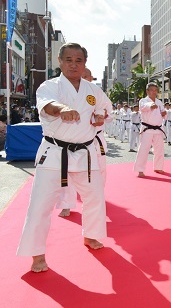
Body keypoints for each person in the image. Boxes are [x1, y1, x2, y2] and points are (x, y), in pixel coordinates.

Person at [17, 43, 110, 273]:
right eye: (68, 59)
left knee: (95, 197)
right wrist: (62, 109)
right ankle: (37, 254)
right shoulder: (50, 86)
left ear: (85, 64)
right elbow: (47, 105)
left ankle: (91, 235)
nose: (73, 64)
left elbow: (105, 109)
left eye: (79, 60)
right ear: (60, 61)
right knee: (40, 205)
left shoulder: (93, 89)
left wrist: (100, 116)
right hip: (55, 152)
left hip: (85, 152)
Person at [56, 67, 112, 217]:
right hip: (72, 140)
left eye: (87, 75)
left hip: (95, 139)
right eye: (82, 75)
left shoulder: (97, 92)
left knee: (99, 171)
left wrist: (102, 115)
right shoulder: (66, 92)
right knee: (67, 172)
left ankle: (98, 199)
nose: (84, 77)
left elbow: (108, 109)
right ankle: (66, 204)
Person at [133, 83, 167, 177]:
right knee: (143, 149)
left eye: (155, 90)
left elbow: (163, 114)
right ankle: (140, 170)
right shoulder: (143, 101)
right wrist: (151, 105)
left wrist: (164, 114)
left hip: (158, 129)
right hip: (147, 128)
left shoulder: (159, 102)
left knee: (159, 149)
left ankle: (158, 167)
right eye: (152, 90)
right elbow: (144, 107)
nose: (154, 92)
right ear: (147, 91)